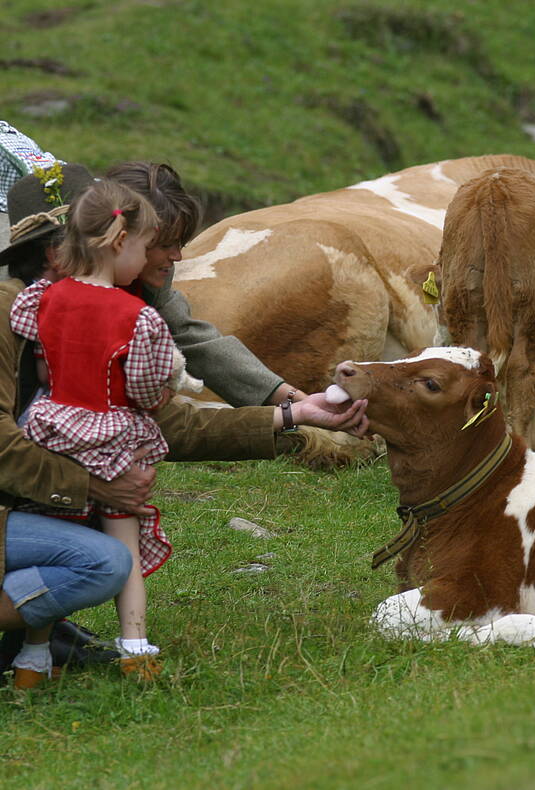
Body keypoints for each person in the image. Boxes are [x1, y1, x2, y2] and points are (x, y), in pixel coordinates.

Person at [0, 164, 368, 688]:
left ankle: (36, 639)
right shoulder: (15, 312)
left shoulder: (111, 306)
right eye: (161, 243)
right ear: (65, 251)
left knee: (95, 539)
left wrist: (294, 411)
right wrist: (91, 482)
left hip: (29, 498)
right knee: (103, 561)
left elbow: (179, 407)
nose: (175, 257)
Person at [10, 178, 181, 679]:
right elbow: (146, 390)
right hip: (110, 439)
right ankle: (135, 647)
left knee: (56, 524)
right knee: (122, 540)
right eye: (147, 246)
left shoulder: (43, 296)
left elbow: (41, 367)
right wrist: (160, 395)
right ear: (120, 242)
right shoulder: (138, 317)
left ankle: (32, 656)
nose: (146, 260)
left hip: (51, 429)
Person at [106, 161, 307, 407]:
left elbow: (190, 337)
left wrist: (293, 400)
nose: (177, 256)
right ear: (122, 240)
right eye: (165, 245)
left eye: (180, 243)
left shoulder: (149, 282)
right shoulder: (63, 291)